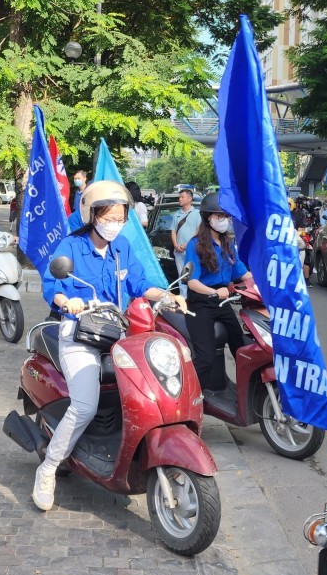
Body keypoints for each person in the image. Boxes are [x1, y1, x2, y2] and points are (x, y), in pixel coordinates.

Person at [34, 181, 186, 512]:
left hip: (117, 332)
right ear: (92, 215)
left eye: (120, 217)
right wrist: (66, 300)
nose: (115, 223)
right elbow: (51, 285)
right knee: (85, 405)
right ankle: (47, 469)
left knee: (146, 390)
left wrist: (168, 297)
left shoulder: (123, 247)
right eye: (109, 216)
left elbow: (141, 285)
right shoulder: (71, 247)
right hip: (79, 333)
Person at [183, 194, 254, 393]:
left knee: (241, 348)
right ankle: (186, 393)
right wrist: (214, 292)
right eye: (219, 215)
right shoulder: (195, 245)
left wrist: (263, 284)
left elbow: (242, 272)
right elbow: (193, 281)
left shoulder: (228, 243)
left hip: (223, 302)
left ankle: (244, 391)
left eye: (226, 216)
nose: (224, 220)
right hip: (201, 303)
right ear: (208, 218)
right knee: (205, 358)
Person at [170, 188, 201, 294]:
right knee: (181, 275)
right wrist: (175, 244)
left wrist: (187, 244)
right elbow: (173, 230)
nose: (180, 199)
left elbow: (199, 231)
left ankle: (194, 296)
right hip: (178, 250)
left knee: (193, 273)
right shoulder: (176, 214)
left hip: (192, 249)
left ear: (190, 198)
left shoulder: (197, 213)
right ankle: (184, 297)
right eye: (179, 197)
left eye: (182, 197)